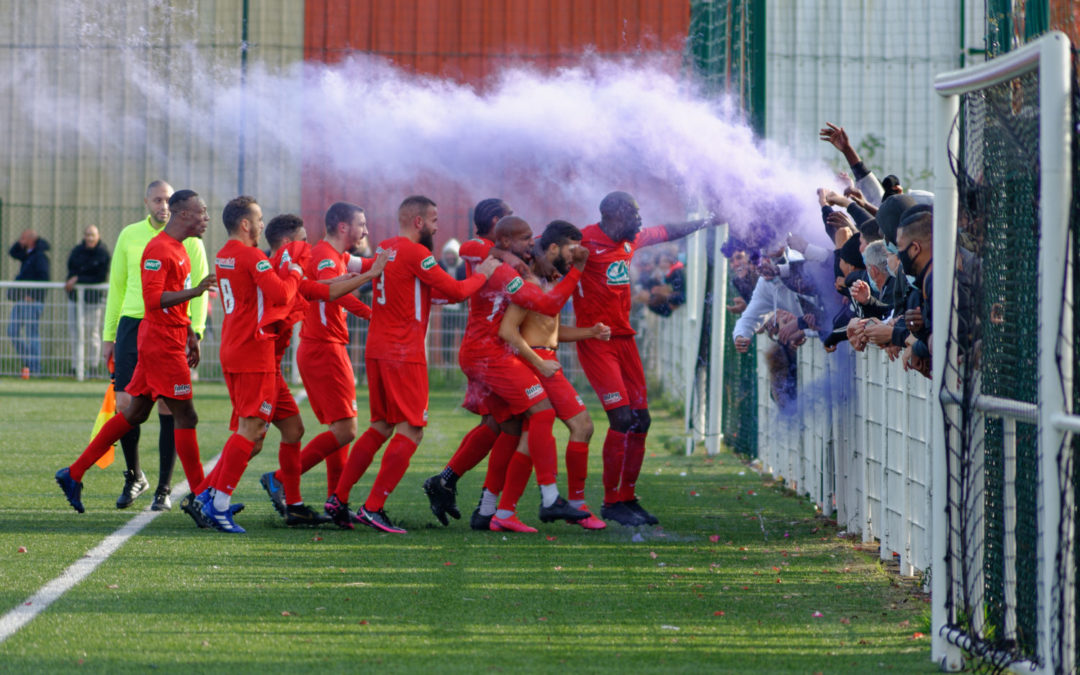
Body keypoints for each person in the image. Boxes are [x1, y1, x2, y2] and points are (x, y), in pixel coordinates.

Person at [324, 196, 499, 533]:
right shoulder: (418, 253)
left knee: (381, 426)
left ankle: (338, 498)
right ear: (418, 221)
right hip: (403, 352)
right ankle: (372, 508)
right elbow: (457, 291)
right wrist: (485, 274)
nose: (437, 226)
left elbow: (429, 291)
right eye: (433, 219)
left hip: (377, 348)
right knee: (412, 429)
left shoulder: (388, 248)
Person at [55, 190, 216, 514]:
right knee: (186, 416)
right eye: (201, 212)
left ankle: (73, 473)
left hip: (168, 339)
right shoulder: (157, 248)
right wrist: (196, 290)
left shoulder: (183, 249)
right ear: (183, 214)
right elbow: (152, 299)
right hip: (160, 346)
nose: (206, 218)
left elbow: (174, 303)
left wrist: (190, 333)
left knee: (135, 413)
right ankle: (203, 499)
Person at [575, 191, 721, 527]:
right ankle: (611, 501)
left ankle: (627, 496)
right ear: (613, 215)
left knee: (642, 420)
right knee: (622, 419)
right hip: (598, 340)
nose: (641, 221)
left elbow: (668, 230)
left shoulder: (631, 239)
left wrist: (707, 221)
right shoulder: (584, 240)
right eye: (634, 214)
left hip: (624, 339)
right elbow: (543, 243)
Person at [455, 215, 591, 532]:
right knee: (542, 416)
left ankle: (492, 511)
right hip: (490, 354)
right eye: (526, 237)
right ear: (501, 239)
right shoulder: (506, 273)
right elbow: (547, 304)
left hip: (491, 353)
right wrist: (578, 271)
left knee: (511, 429)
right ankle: (549, 498)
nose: (533, 241)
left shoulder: (508, 264)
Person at [101, 180, 209, 512]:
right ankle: (134, 474)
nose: (162, 205)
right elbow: (117, 286)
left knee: (169, 408)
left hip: (170, 330)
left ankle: (164, 488)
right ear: (147, 201)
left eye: (167, 200)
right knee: (126, 405)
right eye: (157, 200)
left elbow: (199, 288)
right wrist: (109, 335)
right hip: (132, 327)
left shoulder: (189, 240)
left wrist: (196, 331)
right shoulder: (130, 236)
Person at [495, 220, 611, 530]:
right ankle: (577, 504)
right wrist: (539, 362)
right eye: (573, 248)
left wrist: (591, 332)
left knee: (529, 440)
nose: (579, 254)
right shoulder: (530, 284)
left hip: (544, 357)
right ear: (554, 248)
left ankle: (503, 513)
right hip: (538, 362)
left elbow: (553, 333)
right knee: (582, 425)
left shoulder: (551, 281)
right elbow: (508, 330)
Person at [423, 198, 516, 528]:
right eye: (509, 218)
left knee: (493, 425)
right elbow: (468, 250)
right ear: (494, 221)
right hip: (486, 351)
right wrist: (515, 256)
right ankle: (490, 509)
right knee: (515, 424)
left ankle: (445, 482)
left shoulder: (500, 252)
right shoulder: (481, 247)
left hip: (494, 349)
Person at [292, 202, 376, 507]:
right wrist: (372, 314)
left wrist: (398, 258)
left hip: (325, 347)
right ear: (344, 227)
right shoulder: (327, 259)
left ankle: (336, 501)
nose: (366, 231)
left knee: (341, 428)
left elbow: (365, 266)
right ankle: (281, 479)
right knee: (346, 429)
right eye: (362, 224)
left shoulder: (336, 255)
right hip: (324, 348)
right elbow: (337, 293)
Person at [65, 225, 111, 376]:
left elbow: (100, 276)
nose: (90, 238)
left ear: (98, 236)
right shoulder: (77, 251)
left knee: (93, 334)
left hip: (93, 300)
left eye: (92, 235)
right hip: (76, 299)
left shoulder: (102, 253)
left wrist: (79, 279)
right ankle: (76, 367)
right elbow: (71, 270)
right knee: (76, 333)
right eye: (87, 235)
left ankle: (93, 367)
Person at [8, 229, 50, 377]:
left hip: (32, 302)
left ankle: (35, 368)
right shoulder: (27, 255)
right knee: (12, 331)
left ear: (31, 240)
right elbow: (12, 252)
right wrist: (20, 243)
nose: (21, 241)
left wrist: (33, 295)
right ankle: (29, 361)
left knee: (32, 333)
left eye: (23, 239)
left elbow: (44, 278)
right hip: (20, 300)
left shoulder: (39, 257)